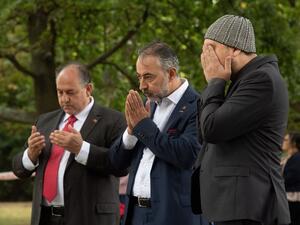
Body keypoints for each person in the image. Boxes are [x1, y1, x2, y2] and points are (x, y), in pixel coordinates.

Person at [192, 15, 291, 225]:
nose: (205, 56)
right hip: (234, 207)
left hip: (248, 208)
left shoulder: (261, 79)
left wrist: (215, 81)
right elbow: (203, 133)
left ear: (235, 49)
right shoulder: (240, 81)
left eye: (211, 47)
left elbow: (212, 129)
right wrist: (217, 83)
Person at [12, 62, 127, 225]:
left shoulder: (113, 120)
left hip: (89, 218)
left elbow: (121, 165)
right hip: (45, 217)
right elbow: (19, 169)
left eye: (70, 92)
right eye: (60, 92)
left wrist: (81, 149)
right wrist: (30, 155)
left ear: (88, 89)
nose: (64, 99)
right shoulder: (45, 121)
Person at [110, 41, 209, 225]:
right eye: (139, 77)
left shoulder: (198, 105)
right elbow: (116, 164)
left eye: (148, 77)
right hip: (134, 214)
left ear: (171, 74)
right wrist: (131, 131)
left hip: (174, 215)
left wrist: (143, 126)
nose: (142, 86)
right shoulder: (148, 106)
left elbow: (187, 155)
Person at [282, 132, 300, 225]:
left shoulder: (297, 158)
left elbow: (290, 178)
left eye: (285, 140)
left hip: (294, 199)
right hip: (288, 197)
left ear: (293, 143)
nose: (282, 141)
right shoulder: (289, 157)